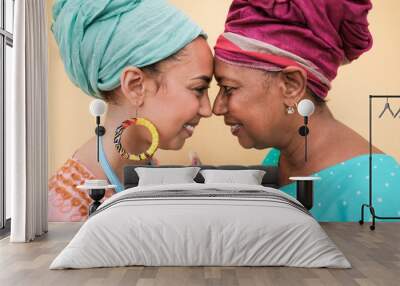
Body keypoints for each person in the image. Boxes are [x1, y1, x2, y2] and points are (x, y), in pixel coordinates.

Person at [212, 0, 400, 221]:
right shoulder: (278, 157)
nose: (217, 107)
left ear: (291, 85)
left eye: (228, 88)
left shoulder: (379, 192)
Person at [48, 0, 213, 221]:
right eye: (199, 89)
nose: (208, 109)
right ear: (136, 86)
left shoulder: (145, 171)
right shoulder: (63, 213)